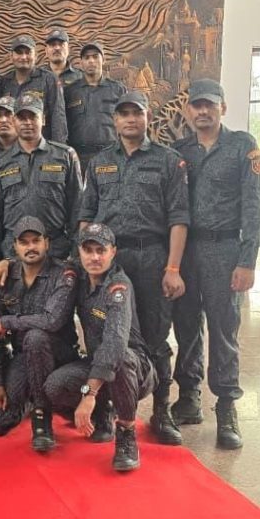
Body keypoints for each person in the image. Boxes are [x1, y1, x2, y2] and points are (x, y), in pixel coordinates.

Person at [80, 90, 189, 445]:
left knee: (156, 336)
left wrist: (173, 267)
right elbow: (86, 214)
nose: (130, 119)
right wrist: (88, 263)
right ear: (115, 120)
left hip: (152, 257)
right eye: (123, 113)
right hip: (110, 260)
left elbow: (178, 218)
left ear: (147, 117)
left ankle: (161, 411)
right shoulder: (99, 163)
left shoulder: (168, 161)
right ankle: (106, 411)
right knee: (106, 335)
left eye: (136, 113)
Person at [171, 79, 260, 450]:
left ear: (223, 107)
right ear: (188, 110)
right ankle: (189, 397)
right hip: (187, 249)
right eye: (197, 105)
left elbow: (253, 206)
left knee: (224, 328)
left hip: (225, 249)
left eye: (210, 104)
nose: (203, 111)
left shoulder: (242, 146)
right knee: (186, 325)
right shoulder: (179, 152)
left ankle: (226, 406)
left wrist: (247, 261)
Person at [44, 223, 156, 472]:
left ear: (113, 252)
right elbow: (45, 264)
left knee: (120, 359)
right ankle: (104, 411)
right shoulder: (80, 277)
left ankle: (126, 433)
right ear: (79, 252)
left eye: (101, 250)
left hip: (134, 370)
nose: (94, 257)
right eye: (88, 250)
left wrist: (89, 394)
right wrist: (5, 263)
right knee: (54, 386)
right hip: (97, 367)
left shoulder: (118, 286)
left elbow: (115, 345)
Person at [0, 217, 78, 446]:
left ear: (47, 243)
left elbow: (52, 321)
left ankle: (42, 415)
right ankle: (32, 397)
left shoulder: (64, 273)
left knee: (36, 337)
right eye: (24, 242)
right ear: (15, 246)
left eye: (36, 240)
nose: (31, 247)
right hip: (24, 357)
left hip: (60, 355)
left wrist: (8, 322)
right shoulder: (5, 277)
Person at [0, 95, 82, 286]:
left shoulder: (65, 156)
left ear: (43, 119)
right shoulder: (0, 163)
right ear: (14, 120)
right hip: (13, 256)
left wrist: (75, 257)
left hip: (57, 254)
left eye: (33, 116)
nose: (28, 122)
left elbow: (77, 209)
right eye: (22, 117)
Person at [64, 41, 127, 170]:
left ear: (103, 60)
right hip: (79, 158)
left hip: (110, 156)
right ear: (81, 62)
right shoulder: (70, 91)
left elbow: (126, 123)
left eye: (95, 56)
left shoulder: (118, 89)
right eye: (86, 58)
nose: (91, 61)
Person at [0, 35, 67, 143]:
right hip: (12, 147)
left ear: (35, 56)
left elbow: (58, 116)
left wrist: (58, 147)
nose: (23, 57)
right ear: (11, 56)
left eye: (28, 52)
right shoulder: (4, 82)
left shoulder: (49, 79)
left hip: (42, 146)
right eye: (19, 53)